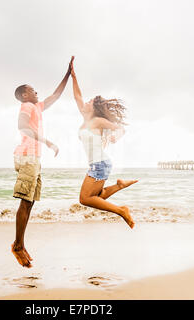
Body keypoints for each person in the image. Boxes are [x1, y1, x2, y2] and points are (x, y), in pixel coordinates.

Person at [11, 57, 73, 268]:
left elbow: (55, 95)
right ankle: (18, 245)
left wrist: (68, 72)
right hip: (27, 155)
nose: (37, 92)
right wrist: (46, 141)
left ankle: (20, 243)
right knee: (25, 201)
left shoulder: (37, 107)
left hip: (34, 158)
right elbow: (22, 126)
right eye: (33, 90)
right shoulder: (27, 106)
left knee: (30, 202)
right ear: (25, 95)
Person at [70, 57, 137, 228]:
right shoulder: (86, 118)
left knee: (85, 199)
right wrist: (73, 75)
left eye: (89, 101)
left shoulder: (98, 121)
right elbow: (77, 96)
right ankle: (119, 186)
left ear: (93, 107)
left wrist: (117, 136)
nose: (85, 102)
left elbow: (121, 128)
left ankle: (122, 210)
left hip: (100, 164)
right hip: (98, 164)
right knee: (95, 198)